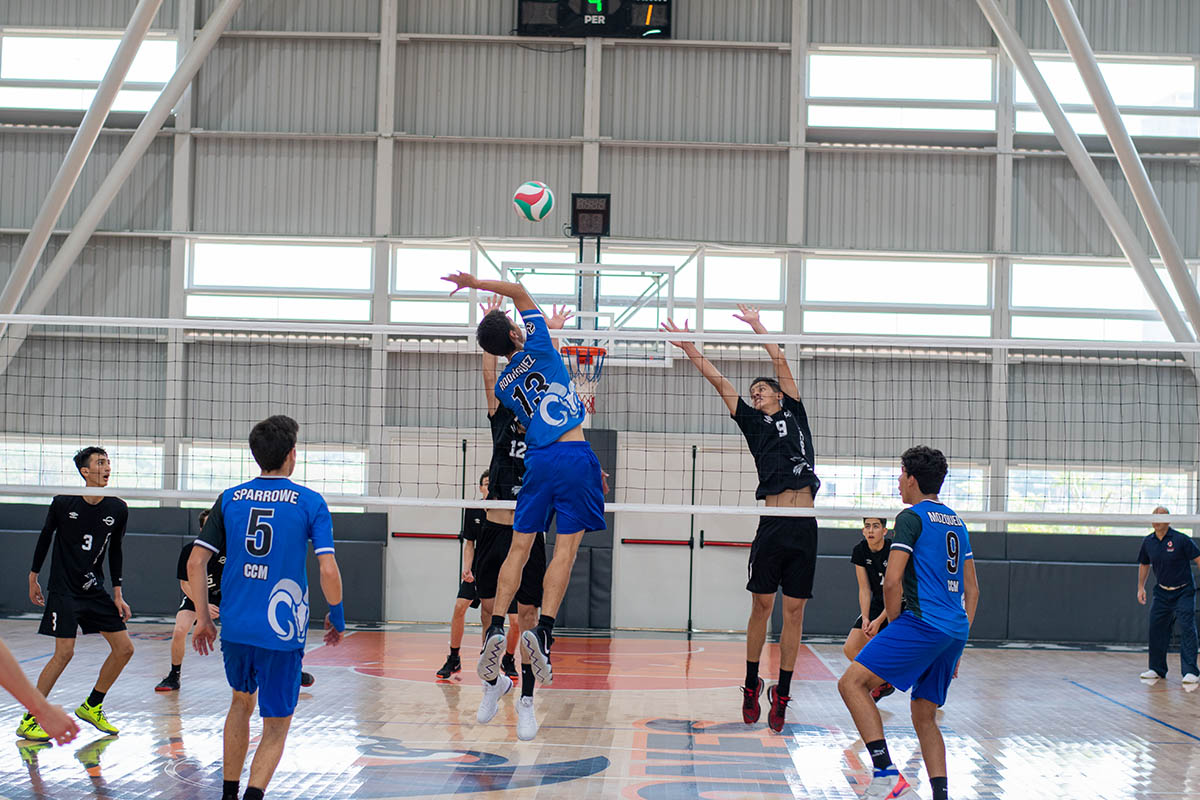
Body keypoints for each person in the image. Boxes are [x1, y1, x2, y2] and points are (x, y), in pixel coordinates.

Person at [441, 271, 606, 708]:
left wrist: (496, 338)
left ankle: (496, 627)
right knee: (565, 551)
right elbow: (517, 291)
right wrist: (477, 282)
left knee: (519, 548)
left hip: (537, 463)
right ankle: (545, 630)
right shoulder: (542, 346)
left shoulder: (503, 387)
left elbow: (500, 364)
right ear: (517, 332)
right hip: (573, 454)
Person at [662, 305, 818, 733]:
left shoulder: (795, 411)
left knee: (795, 612)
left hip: (804, 522)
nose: (757, 394)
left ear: (780, 395)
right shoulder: (752, 423)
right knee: (762, 606)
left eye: (763, 390)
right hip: (771, 520)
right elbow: (718, 381)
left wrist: (757, 326)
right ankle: (751, 683)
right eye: (753, 393)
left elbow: (781, 361)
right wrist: (692, 350)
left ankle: (782, 692)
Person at [188, 415, 345, 800]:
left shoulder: (229, 498)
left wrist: (204, 618)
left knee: (240, 703)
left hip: (238, 627)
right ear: (293, 454)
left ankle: (228, 794)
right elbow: (327, 567)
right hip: (282, 632)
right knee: (276, 724)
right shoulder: (310, 502)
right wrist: (337, 614)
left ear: (256, 455)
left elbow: (195, 562)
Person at [837, 446, 980, 800]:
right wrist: (959, 645)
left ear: (912, 478)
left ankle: (886, 774)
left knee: (851, 683)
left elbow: (891, 580)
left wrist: (897, 625)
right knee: (924, 714)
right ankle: (940, 796)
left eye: (901, 474)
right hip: (954, 630)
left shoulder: (911, 517)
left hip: (923, 623)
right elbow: (973, 589)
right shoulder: (957, 522)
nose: (899, 481)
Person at [472, 294, 557, 740]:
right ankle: (495, 683)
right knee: (489, 612)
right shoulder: (502, 408)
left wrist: (549, 332)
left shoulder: (546, 418)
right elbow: (493, 373)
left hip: (528, 528)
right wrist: (491, 330)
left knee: (527, 616)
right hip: (494, 526)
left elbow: (549, 369)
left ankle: (526, 699)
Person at [20, 447, 134, 741]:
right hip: (64, 590)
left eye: (108, 462)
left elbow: (116, 551)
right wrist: (33, 577)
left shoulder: (118, 508)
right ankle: (30, 719)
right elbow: (45, 538)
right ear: (85, 472)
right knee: (64, 653)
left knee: (124, 649)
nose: (107, 467)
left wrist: (118, 594)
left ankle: (92, 705)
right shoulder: (62, 502)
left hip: (93, 589)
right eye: (100, 463)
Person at [158, 509, 316, 692]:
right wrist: (203, 607)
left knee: (263, 626)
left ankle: (292, 672)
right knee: (179, 629)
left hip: (229, 596)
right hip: (198, 596)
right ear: (202, 529)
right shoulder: (190, 551)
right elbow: (185, 584)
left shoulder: (236, 548)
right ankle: (173, 676)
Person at [436, 471, 520, 681]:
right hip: (477, 570)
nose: (489, 487)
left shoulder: (509, 510)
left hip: (505, 572)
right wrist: (467, 569)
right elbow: (469, 543)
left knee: (513, 620)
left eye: (492, 484)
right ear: (480, 488)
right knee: (460, 607)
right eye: (485, 484)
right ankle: (454, 657)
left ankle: (506, 659)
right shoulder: (473, 509)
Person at [1136, 506, 1200, 683]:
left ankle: (1191, 672)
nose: (1156, 519)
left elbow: (1198, 558)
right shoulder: (1148, 542)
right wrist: (1141, 587)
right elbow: (1144, 564)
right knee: (1156, 627)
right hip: (1162, 592)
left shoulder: (1180, 539)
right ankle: (1156, 668)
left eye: (1160, 516)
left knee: (1187, 627)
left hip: (1184, 591)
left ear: (1168, 520)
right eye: (1154, 516)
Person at [842, 518, 897, 703]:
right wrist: (865, 617)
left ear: (885, 531)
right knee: (850, 648)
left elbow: (897, 589)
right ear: (863, 531)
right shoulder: (860, 550)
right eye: (867, 526)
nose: (871, 530)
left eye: (876, 526)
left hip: (900, 603)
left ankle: (888, 678)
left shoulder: (894, 550)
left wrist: (880, 620)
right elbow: (865, 588)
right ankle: (883, 682)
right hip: (878, 602)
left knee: (900, 651)